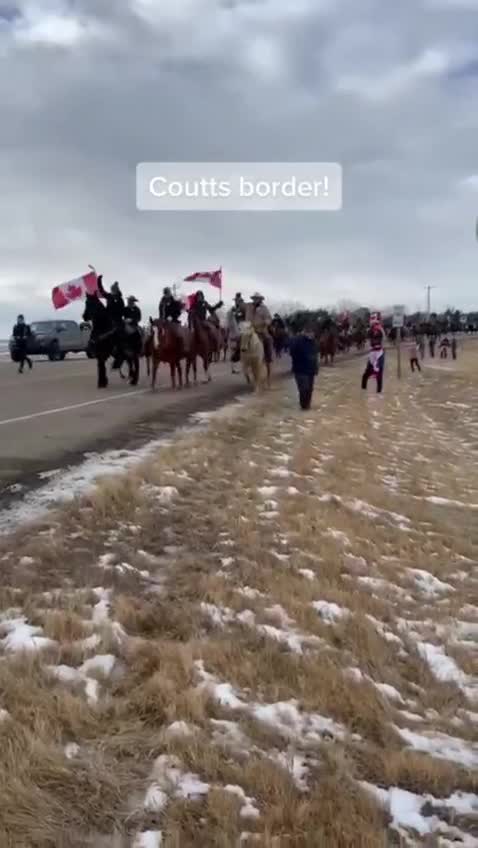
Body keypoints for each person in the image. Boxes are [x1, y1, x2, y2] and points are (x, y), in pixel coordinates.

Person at [97, 275, 125, 368]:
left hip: (117, 320)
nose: (112, 291)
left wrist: (115, 315)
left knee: (119, 333)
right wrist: (99, 281)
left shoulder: (120, 299)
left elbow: (122, 311)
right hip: (109, 319)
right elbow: (101, 291)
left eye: (114, 289)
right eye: (112, 289)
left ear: (117, 290)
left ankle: (120, 351)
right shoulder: (109, 296)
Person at [289, 322, 319, 410]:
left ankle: (307, 405)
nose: (312, 334)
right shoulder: (297, 340)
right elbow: (292, 352)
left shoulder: (314, 342)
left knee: (310, 389)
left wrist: (316, 368)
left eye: (313, 332)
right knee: (303, 388)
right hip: (300, 370)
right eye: (310, 332)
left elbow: (315, 355)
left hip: (310, 369)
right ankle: (303, 405)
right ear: (305, 332)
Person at [246, 293, 273, 367]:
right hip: (250, 330)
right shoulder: (249, 307)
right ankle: (239, 357)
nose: (255, 300)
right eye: (254, 298)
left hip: (261, 330)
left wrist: (265, 322)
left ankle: (268, 359)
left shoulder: (264, 308)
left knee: (268, 340)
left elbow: (269, 318)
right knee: (241, 340)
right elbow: (247, 318)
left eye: (257, 299)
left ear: (260, 300)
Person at [362, 321, 385, 393]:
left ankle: (379, 391)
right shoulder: (370, 333)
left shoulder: (381, 332)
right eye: (375, 325)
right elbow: (367, 340)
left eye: (377, 325)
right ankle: (363, 388)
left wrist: (381, 329)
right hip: (372, 353)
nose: (376, 326)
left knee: (380, 373)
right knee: (367, 372)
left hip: (380, 353)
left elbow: (384, 340)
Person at [227, 293, 246, 373]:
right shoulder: (233, 309)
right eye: (236, 300)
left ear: (240, 300)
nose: (236, 302)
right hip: (235, 327)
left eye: (238, 300)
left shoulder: (243, 307)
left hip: (243, 324)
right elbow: (229, 316)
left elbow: (245, 316)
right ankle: (233, 368)